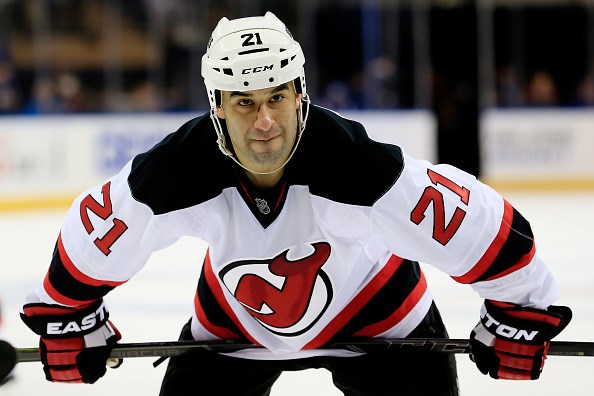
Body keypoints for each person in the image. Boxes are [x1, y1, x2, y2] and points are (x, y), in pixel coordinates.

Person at [20, 12, 571, 396]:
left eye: (278, 97)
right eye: (244, 103)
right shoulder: (175, 170)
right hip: (235, 326)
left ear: (300, 93)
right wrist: (65, 318)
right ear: (217, 108)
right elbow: (94, 237)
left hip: (380, 321)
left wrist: (523, 311)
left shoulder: (357, 164)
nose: (265, 123)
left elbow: (474, 221)